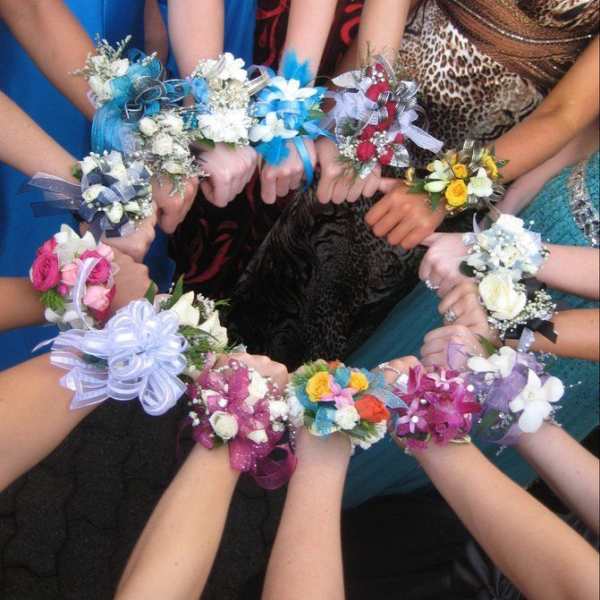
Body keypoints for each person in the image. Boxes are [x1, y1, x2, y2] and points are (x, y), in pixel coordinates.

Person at [224, 1, 599, 369]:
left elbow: (565, 114)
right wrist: (366, 114)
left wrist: (446, 188)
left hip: (483, 160)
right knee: (291, 263)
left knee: (356, 321)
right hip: (389, 86)